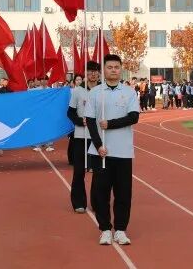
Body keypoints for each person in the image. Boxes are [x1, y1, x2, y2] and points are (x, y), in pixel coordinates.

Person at [85, 54, 139, 246]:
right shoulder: (95, 93)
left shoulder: (129, 92)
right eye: (110, 67)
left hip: (123, 152)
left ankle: (121, 230)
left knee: (123, 193)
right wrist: (98, 145)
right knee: (101, 193)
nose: (113, 70)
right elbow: (90, 121)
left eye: (117, 67)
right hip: (101, 152)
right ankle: (105, 229)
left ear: (121, 69)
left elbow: (133, 117)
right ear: (104, 70)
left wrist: (110, 124)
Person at [67, 61, 100, 214]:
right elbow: (70, 112)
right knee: (79, 171)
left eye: (96, 71)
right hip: (81, 136)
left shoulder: (102, 90)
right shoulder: (78, 91)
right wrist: (81, 121)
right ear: (86, 73)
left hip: (98, 137)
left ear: (99, 73)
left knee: (99, 172)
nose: (93, 74)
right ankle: (79, 202)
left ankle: (97, 202)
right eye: (90, 71)